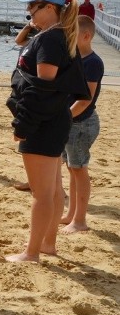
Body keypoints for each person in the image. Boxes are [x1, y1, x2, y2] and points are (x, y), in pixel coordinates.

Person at [5, 0, 88, 263]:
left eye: (32, 6)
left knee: (42, 194)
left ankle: (31, 252)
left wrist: (23, 125)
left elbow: (43, 89)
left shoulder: (51, 39)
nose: (28, 12)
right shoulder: (56, 35)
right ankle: (48, 245)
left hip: (43, 124)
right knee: (51, 191)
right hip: (52, 122)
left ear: (49, 7)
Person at [60, 16, 103, 233]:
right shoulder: (75, 57)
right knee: (72, 168)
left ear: (85, 36)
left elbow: (86, 99)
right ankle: (71, 214)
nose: (68, 37)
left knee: (79, 169)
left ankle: (80, 220)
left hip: (81, 123)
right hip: (71, 121)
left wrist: (65, 116)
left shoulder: (93, 62)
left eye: (72, 33)